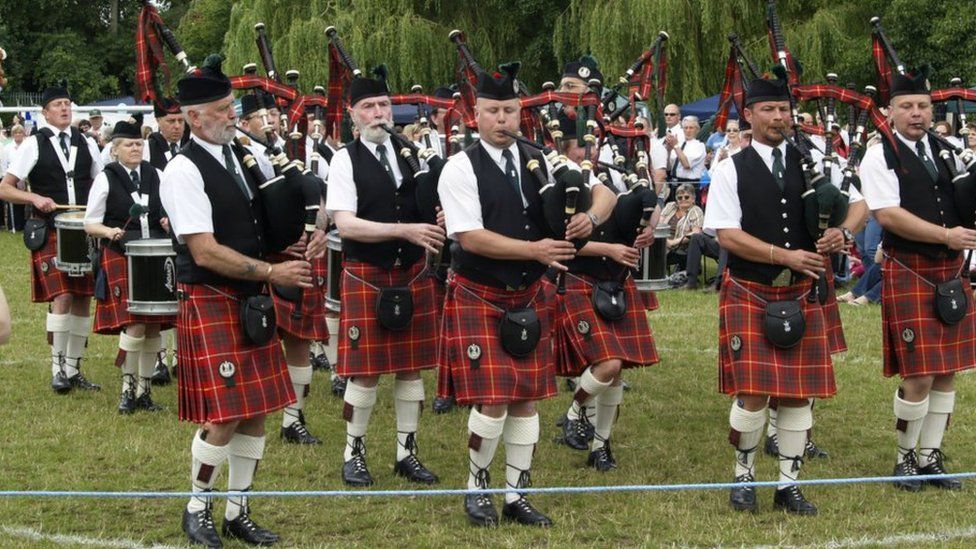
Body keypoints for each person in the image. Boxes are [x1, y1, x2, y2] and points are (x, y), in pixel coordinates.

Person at [438, 62, 609, 527]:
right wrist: (534, 249)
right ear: (476, 114)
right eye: (493, 111)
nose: (502, 121)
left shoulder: (539, 158)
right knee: (493, 398)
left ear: (520, 113)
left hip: (530, 294)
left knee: (527, 399)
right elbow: (469, 236)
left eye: (510, 111)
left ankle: (516, 493)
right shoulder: (459, 167)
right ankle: (477, 487)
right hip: (481, 290)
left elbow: (605, 191)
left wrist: (588, 219)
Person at [160, 54, 319, 547]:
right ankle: (197, 508)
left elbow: (259, 228)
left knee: (255, 410)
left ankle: (238, 510)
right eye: (225, 109)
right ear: (194, 117)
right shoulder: (183, 170)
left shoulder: (243, 158)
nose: (235, 116)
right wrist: (274, 271)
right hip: (212, 298)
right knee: (224, 414)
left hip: (251, 300)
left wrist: (295, 241)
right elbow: (204, 250)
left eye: (232, 107)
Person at [704, 75, 844, 516]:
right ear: (749, 116)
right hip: (750, 288)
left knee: (799, 394)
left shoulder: (814, 162)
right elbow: (726, 234)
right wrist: (785, 255)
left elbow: (856, 204)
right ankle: (743, 475)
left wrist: (842, 231)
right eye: (768, 109)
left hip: (801, 291)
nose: (778, 117)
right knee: (753, 392)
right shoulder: (731, 166)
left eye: (784, 109)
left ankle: (789, 484)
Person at [325, 65, 443, 487]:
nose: (379, 114)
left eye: (384, 105)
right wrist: (404, 230)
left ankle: (406, 453)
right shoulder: (344, 160)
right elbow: (347, 224)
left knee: (411, 369)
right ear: (352, 114)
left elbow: (425, 209)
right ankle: (353, 453)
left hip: (411, 273)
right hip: (367, 274)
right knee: (365, 372)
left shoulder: (409, 155)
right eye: (369, 107)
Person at [860, 66, 976, 492]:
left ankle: (931, 458)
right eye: (906, 106)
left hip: (949, 271)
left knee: (948, 370)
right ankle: (905, 458)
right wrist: (947, 235)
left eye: (923, 106)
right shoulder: (880, 154)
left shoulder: (946, 149)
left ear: (932, 109)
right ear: (890, 111)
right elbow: (886, 214)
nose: (916, 113)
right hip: (910, 268)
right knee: (920, 374)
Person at [547, 112, 656, 470]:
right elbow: (561, 242)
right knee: (607, 363)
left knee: (615, 371)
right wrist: (609, 249)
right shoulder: (554, 182)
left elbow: (630, 207)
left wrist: (646, 231)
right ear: (564, 148)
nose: (587, 152)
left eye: (590, 145)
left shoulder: (606, 177)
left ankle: (600, 445)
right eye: (581, 146)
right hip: (580, 280)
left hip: (615, 283)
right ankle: (575, 410)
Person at [0, 85, 104, 394]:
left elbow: (103, 182)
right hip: (51, 228)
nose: (64, 109)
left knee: (84, 298)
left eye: (67, 104)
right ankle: (58, 368)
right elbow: (5, 188)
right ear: (45, 112)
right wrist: (33, 197)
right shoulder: (34, 144)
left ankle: (74, 368)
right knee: (63, 297)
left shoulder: (87, 142)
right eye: (57, 105)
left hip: (83, 229)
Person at [83, 117, 173, 414]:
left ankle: (145, 391)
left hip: (157, 255)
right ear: (115, 149)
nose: (135, 149)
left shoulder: (157, 174)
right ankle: (127, 390)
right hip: (122, 254)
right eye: (128, 145)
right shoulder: (106, 178)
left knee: (153, 327)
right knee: (134, 323)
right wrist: (109, 232)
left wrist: (166, 220)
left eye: (138, 144)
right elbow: (89, 223)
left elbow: (170, 211)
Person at [143, 96, 187, 385]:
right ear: (158, 121)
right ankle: (159, 358)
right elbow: (145, 185)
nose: (176, 126)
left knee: (181, 294)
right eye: (170, 121)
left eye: (180, 121)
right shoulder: (148, 148)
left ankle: (180, 357)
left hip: (188, 228)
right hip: (159, 228)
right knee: (162, 293)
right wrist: (161, 215)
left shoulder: (191, 145)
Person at [661, 183, 704, 272]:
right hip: (662, 242)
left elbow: (696, 233)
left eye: (686, 197)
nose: (683, 199)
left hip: (681, 248)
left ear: (693, 199)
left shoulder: (695, 211)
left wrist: (673, 242)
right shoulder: (670, 206)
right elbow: (658, 224)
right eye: (680, 197)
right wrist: (664, 240)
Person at [1, 123, 28, 231]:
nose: (18, 134)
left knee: (23, 202)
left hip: (24, 178)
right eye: (16, 133)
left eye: (20, 132)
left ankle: (23, 224)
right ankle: (13, 225)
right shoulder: (7, 148)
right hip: (11, 177)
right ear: (12, 134)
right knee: (12, 201)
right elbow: (4, 163)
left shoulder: (27, 146)